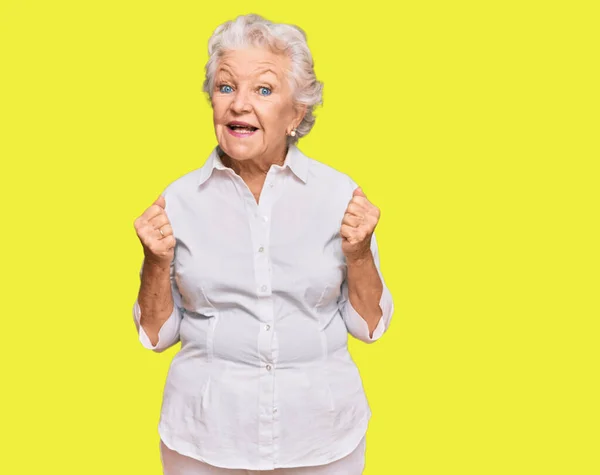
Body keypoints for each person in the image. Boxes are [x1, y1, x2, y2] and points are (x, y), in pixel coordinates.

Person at [132, 13, 394, 475]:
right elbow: (156, 338)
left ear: (296, 113)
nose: (239, 105)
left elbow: (370, 327)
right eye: (226, 87)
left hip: (322, 440)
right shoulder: (177, 201)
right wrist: (155, 263)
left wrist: (358, 256)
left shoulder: (338, 196)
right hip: (204, 441)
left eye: (264, 90)